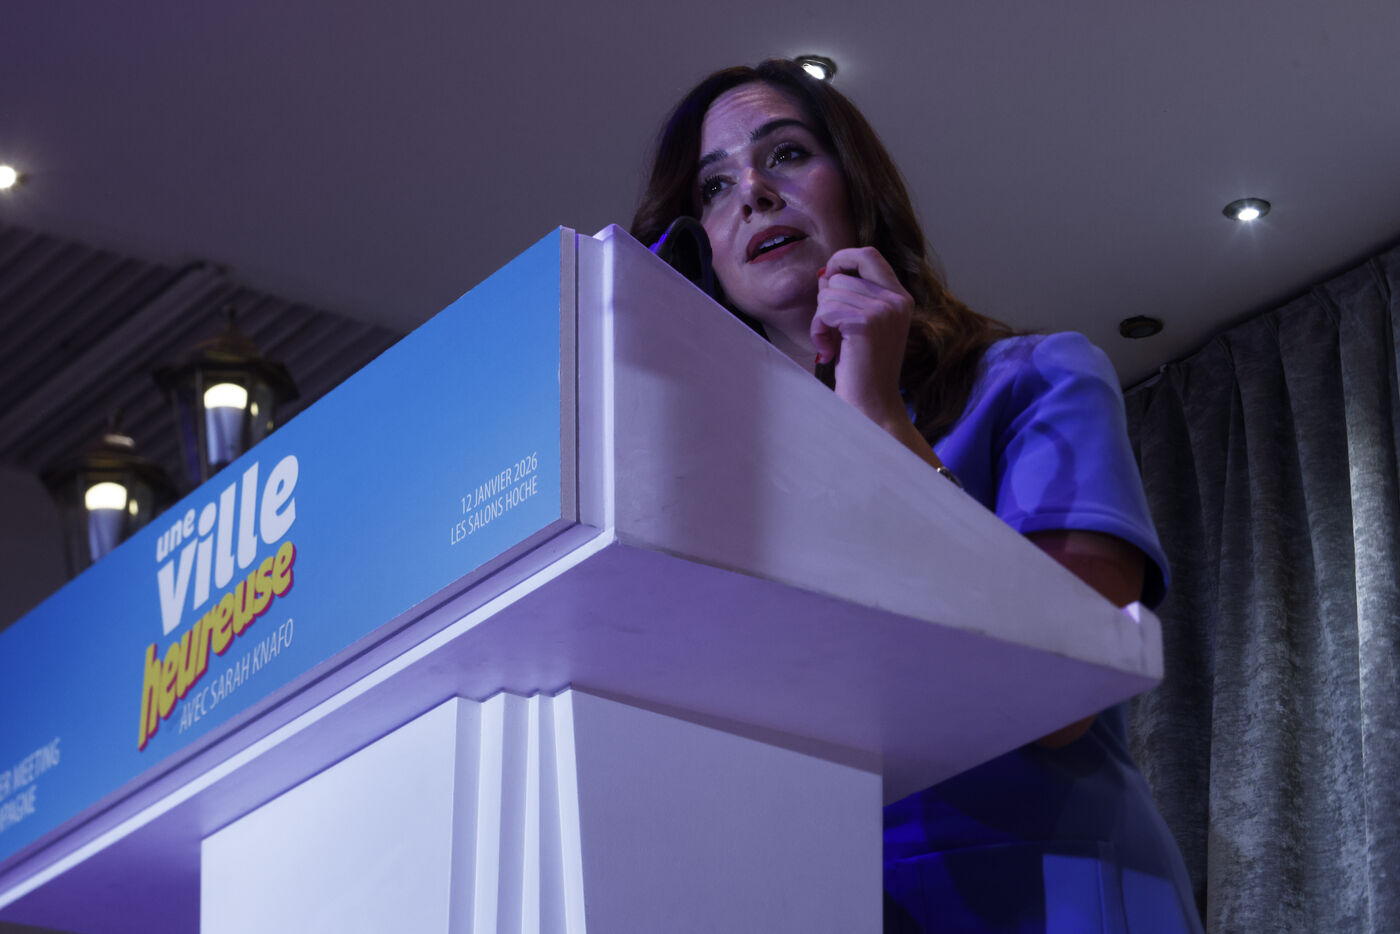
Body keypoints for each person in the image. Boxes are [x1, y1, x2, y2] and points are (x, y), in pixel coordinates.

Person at [631, 60, 1203, 933]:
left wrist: (879, 423)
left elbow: (1057, 702)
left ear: (859, 187)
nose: (753, 193)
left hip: (1051, 883)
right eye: (714, 187)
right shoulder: (703, 485)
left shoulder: (1038, 380)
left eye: (786, 155)